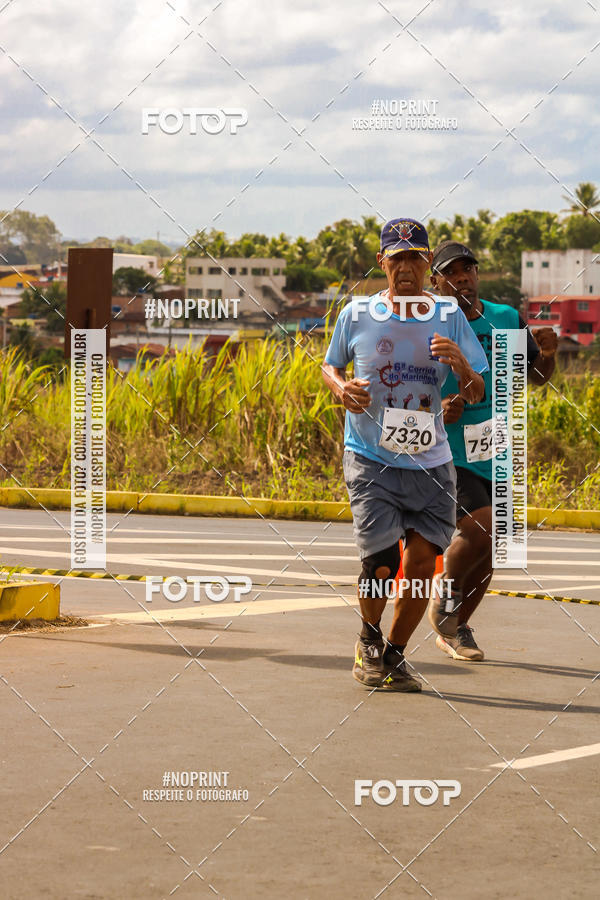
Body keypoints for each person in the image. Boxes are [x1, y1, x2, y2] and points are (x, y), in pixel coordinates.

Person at [322, 219, 488, 691]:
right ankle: (368, 639)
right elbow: (330, 364)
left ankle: (393, 654)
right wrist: (341, 387)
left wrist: (459, 364)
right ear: (383, 264)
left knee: (419, 565)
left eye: (416, 257)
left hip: (431, 462)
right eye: (397, 258)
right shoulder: (357, 314)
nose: (407, 268)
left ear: (426, 263)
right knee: (380, 562)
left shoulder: (448, 315)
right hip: (370, 456)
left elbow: (476, 390)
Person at [427, 240, 558, 660]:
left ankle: (457, 627)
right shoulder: (427, 323)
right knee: (481, 525)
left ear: (477, 275)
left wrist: (549, 355)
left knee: (496, 546)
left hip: (499, 446)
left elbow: (535, 375)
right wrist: (436, 412)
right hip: (450, 449)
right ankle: (443, 592)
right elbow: (406, 383)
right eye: (451, 272)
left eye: (468, 269)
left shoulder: (505, 318)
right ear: (436, 282)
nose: (462, 277)